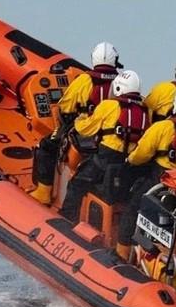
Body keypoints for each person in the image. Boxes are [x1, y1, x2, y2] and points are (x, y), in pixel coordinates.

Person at [114, 88, 176, 261]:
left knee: (132, 210)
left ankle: (121, 255)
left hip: (161, 182)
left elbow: (141, 154)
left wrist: (129, 162)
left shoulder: (162, 127)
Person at [31, 42, 122, 204]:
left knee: (47, 146)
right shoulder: (122, 83)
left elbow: (65, 107)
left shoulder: (85, 81)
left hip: (85, 134)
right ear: (115, 60)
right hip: (112, 141)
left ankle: (43, 192)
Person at [59, 70, 150, 222]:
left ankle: (67, 218)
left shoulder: (109, 105)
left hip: (105, 158)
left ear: (119, 88)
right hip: (127, 164)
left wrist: (77, 121)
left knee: (77, 183)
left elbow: (87, 128)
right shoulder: (145, 111)